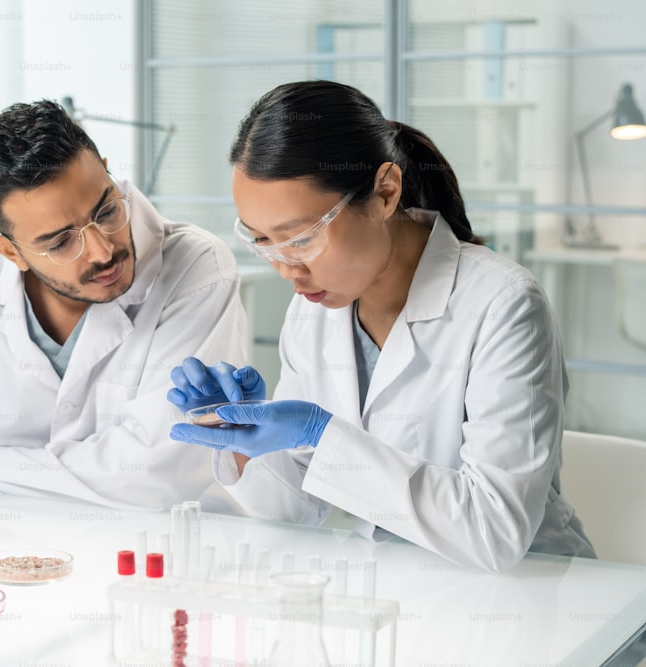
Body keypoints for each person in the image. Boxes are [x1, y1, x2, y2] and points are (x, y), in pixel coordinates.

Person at [167, 80, 596, 572]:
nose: (286, 267)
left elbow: (495, 531)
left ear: (385, 193)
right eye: (262, 241)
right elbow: (296, 509)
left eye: (302, 238)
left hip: (534, 596)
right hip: (399, 590)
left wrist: (320, 434)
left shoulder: (503, 305)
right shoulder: (314, 309)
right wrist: (245, 438)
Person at [0, 100, 249, 512]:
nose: (102, 250)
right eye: (60, 242)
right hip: (9, 534)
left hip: (157, 545)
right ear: (10, 252)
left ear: (108, 173)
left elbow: (150, 473)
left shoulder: (197, 267)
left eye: (107, 210)